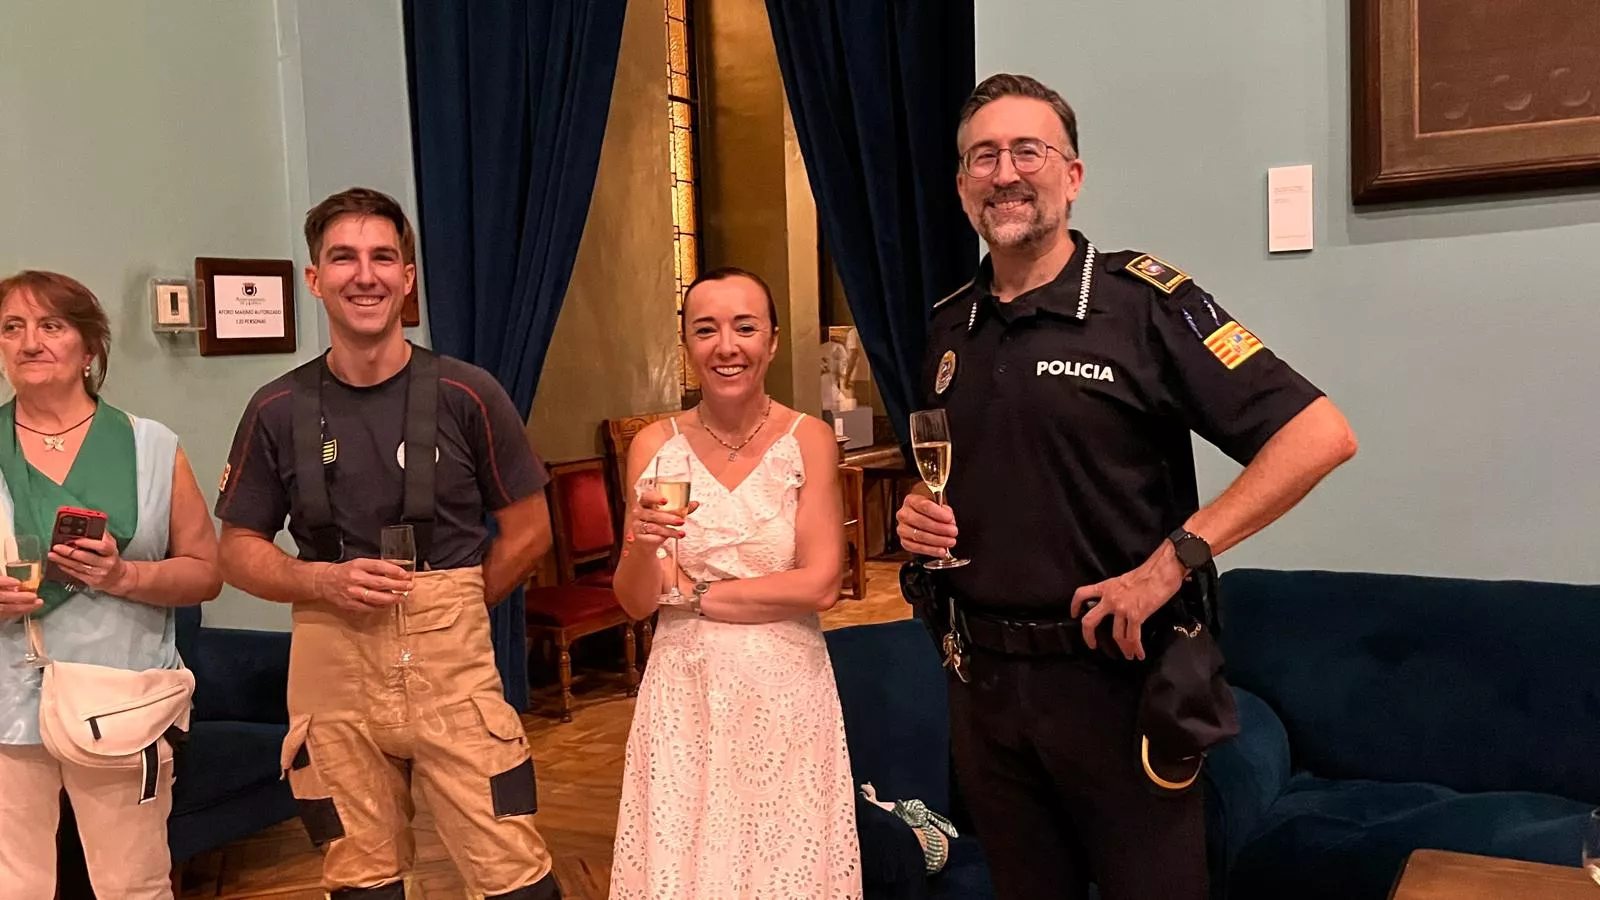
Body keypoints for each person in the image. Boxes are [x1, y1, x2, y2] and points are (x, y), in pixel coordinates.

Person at [894, 74, 1358, 900]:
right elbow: (981, 477)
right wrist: (918, 521)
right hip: (984, 690)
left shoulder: (1143, 305)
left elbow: (1318, 434)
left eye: (1027, 151)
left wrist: (1175, 559)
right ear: (962, 184)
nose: (1005, 172)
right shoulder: (946, 325)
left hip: (1118, 682)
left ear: (1071, 175)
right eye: (982, 156)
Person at [215, 187, 560, 900]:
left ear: (407, 278)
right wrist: (321, 583)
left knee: (513, 876)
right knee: (359, 878)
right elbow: (236, 548)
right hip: (329, 673)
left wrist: (454, 602)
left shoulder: (470, 395)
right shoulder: (276, 409)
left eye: (383, 257)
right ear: (315, 279)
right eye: (343, 258)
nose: (364, 275)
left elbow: (530, 532)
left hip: (454, 674)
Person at [608, 267, 861, 899]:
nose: (727, 346)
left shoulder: (810, 439)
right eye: (706, 330)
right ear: (687, 347)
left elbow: (821, 584)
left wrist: (696, 595)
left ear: (771, 341)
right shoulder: (652, 447)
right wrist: (643, 542)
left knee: (786, 869)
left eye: (745, 327)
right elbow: (638, 600)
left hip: (787, 686)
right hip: (682, 689)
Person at [0, 270, 222, 899]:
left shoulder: (152, 447)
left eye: (51, 325)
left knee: (134, 885)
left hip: (120, 706)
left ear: (89, 346)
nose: (30, 342)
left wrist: (125, 575)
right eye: (12, 328)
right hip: (4, 710)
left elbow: (207, 572)